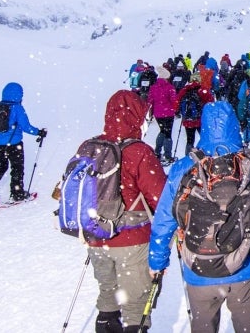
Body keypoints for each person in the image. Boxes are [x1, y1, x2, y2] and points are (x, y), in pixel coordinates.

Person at [148, 101, 250, 333]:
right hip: (247, 265)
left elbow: (165, 219)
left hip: (198, 266)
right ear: (235, 126)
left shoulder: (184, 167)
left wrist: (157, 261)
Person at [89, 89, 168, 333]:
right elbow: (161, 199)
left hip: (97, 237)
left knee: (108, 298)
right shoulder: (139, 152)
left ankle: (105, 324)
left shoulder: (91, 146)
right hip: (132, 240)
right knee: (136, 306)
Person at [0, 82, 45, 204]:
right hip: (14, 143)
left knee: (0, 166)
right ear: (19, 95)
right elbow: (26, 127)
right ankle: (16, 194)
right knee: (17, 168)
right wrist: (39, 132)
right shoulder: (17, 108)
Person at [175, 71, 214, 155]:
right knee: (204, 138)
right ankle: (206, 155)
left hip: (188, 119)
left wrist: (178, 111)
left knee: (190, 140)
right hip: (201, 119)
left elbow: (177, 102)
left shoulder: (184, 89)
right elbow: (211, 103)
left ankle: (188, 157)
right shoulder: (203, 90)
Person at [148, 65, 179, 164]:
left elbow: (150, 100)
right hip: (168, 113)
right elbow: (174, 101)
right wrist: (176, 110)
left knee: (162, 131)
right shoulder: (170, 87)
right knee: (168, 134)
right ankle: (168, 155)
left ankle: (157, 152)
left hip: (158, 114)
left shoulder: (153, 87)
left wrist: (151, 112)